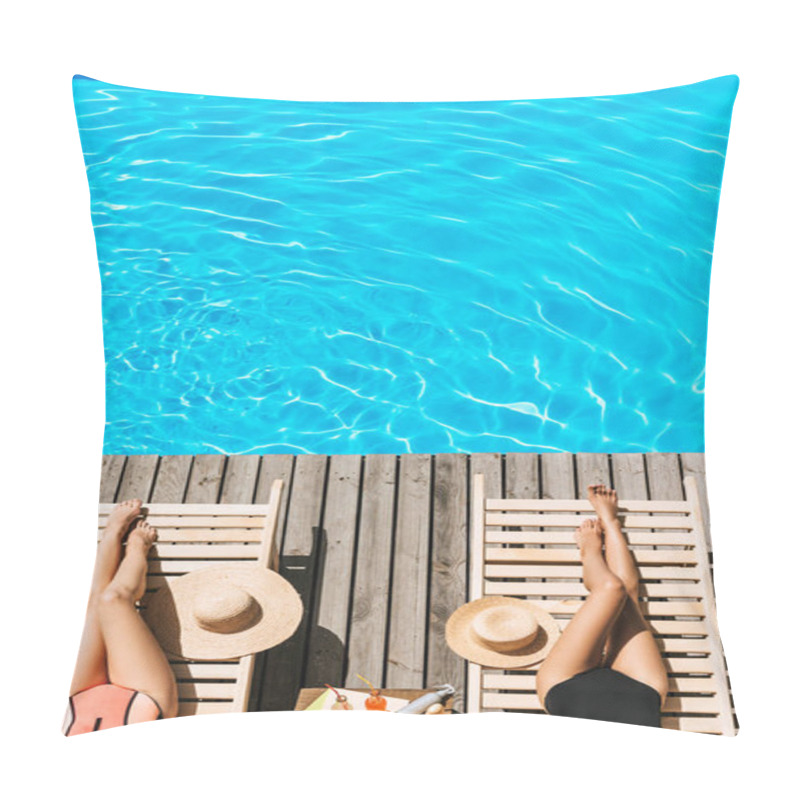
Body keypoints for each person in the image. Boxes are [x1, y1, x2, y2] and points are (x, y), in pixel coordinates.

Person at [535, 484, 669, 728]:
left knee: (611, 589)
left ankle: (590, 552)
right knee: (626, 596)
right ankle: (610, 522)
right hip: (643, 693)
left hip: (565, 685)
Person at [64, 500, 178, 735]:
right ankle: (137, 547)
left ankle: (112, 534)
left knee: (96, 603)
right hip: (145, 700)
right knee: (113, 599)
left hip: (76, 702)